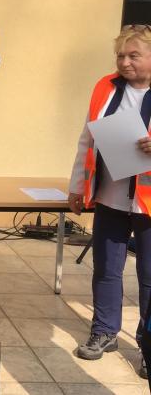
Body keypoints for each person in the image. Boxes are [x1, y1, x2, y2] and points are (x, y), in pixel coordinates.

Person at [68, 24, 151, 379]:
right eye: (120, 55)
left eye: (134, 55)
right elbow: (87, 138)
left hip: (148, 203)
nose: (125, 62)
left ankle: (148, 345)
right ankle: (104, 331)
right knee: (106, 268)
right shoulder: (106, 86)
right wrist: (76, 186)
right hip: (110, 194)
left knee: (149, 276)